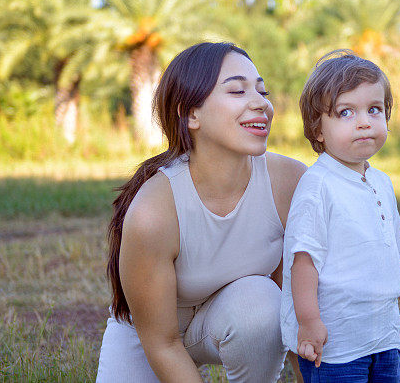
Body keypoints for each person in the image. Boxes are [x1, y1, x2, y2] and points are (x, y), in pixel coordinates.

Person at [97, 42, 306, 382]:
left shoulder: (291, 183)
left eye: (262, 90)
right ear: (190, 113)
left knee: (264, 307)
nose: (261, 103)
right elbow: (162, 343)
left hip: (238, 316)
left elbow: (299, 307)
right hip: (153, 335)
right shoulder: (154, 209)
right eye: (237, 90)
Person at [280, 50, 400, 382]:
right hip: (337, 341)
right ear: (317, 130)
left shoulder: (381, 182)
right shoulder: (318, 186)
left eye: (374, 109)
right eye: (346, 112)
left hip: (384, 333)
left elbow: (395, 247)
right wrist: (309, 321)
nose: (364, 121)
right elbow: (303, 261)